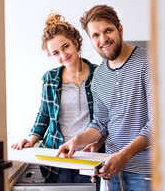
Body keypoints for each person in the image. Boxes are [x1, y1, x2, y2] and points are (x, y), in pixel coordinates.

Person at [56, 5, 152, 191]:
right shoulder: (99, 75)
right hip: (111, 170)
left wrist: (123, 156)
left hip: (146, 172)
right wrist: (77, 140)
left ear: (120, 29)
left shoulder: (149, 63)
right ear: (90, 40)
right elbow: (101, 123)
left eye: (108, 30)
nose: (103, 39)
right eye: (95, 35)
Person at [11, 12, 105, 184]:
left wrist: (100, 142)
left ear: (75, 43)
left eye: (65, 47)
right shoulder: (50, 78)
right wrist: (31, 139)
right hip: (58, 155)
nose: (63, 55)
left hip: (89, 155)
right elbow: (44, 114)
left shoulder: (99, 74)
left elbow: (107, 118)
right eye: (55, 53)